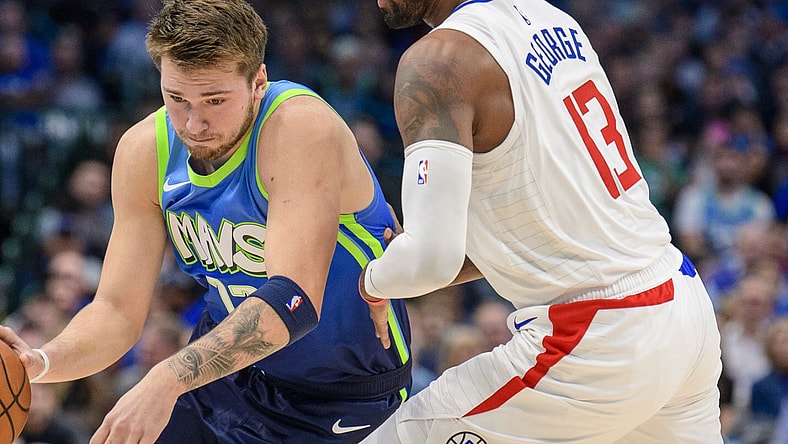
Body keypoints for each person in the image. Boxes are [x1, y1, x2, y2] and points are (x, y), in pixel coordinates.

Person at [0, 0, 412, 442]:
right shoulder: (145, 150)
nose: (194, 123)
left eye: (215, 100)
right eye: (176, 99)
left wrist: (167, 377)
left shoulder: (299, 128)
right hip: (224, 375)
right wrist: (43, 361)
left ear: (258, 82)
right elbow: (117, 310)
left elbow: (292, 302)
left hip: (343, 391)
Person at [358, 0, 723, 442]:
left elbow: (430, 260)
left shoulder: (438, 60)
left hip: (598, 334)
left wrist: (372, 283)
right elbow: (542, 227)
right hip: (681, 302)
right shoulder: (554, 19)